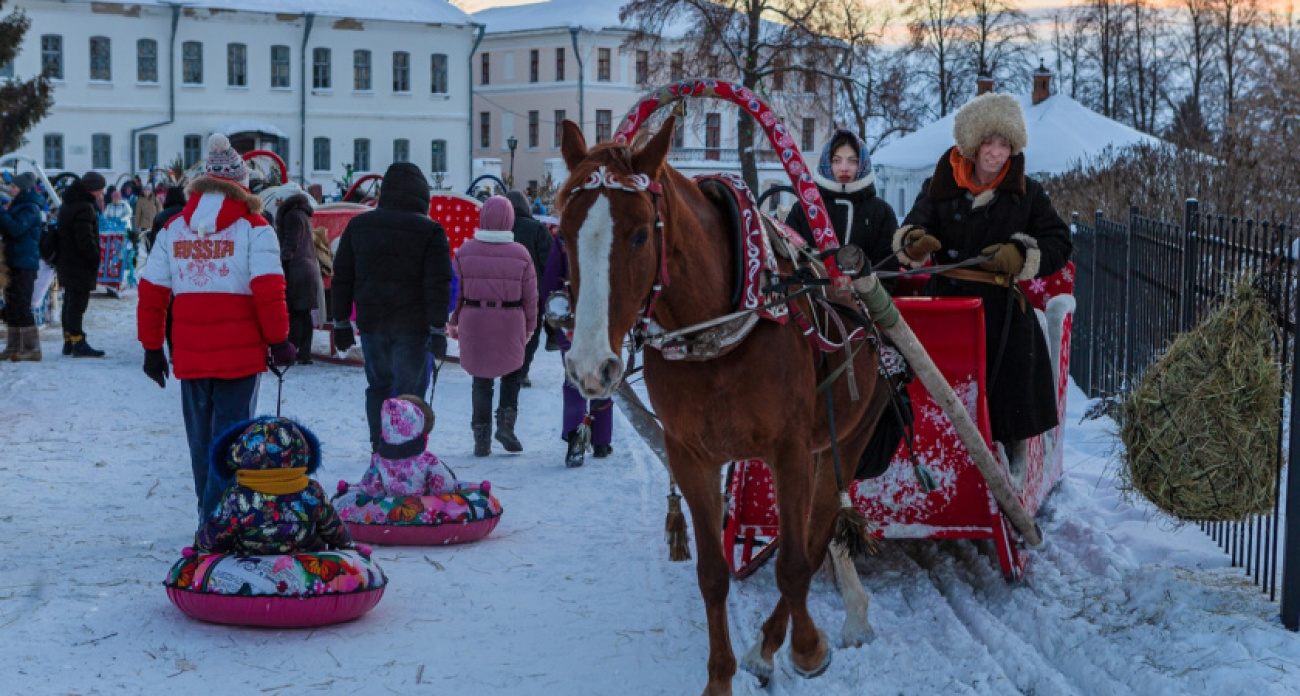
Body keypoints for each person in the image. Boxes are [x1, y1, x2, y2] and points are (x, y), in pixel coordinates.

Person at [894, 92, 1073, 456]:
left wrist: (1020, 256)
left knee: (1012, 375)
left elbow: (1059, 242)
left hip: (1003, 310)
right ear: (972, 145)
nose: (995, 152)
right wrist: (914, 243)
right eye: (988, 143)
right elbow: (911, 229)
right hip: (946, 303)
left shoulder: (1028, 192)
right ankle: (930, 448)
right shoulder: (940, 186)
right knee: (928, 376)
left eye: (1004, 144)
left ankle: (1011, 453)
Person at [137, 132, 298, 521]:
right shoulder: (255, 228)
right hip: (240, 357)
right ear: (241, 185)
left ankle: (208, 516)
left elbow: (152, 291)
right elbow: (268, 291)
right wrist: (279, 341)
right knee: (233, 441)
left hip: (191, 358)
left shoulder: (174, 229)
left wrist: (152, 348)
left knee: (202, 443)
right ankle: (222, 520)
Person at [332, 162, 452, 452]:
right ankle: (408, 448)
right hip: (414, 327)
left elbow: (342, 277)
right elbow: (438, 284)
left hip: (372, 325)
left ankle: (380, 444)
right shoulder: (431, 231)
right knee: (410, 392)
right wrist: (438, 329)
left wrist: (341, 322)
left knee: (379, 387)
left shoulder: (359, 226)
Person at [447, 196, 538, 457]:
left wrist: (454, 321)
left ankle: (481, 436)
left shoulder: (465, 251)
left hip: (475, 318)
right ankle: (506, 425)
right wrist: (530, 325)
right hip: (511, 318)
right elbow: (531, 296)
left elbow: (458, 293)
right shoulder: (521, 254)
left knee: (481, 379)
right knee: (512, 373)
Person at [194, 416, 353, 554]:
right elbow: (335, 532)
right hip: (305, 572)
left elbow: (214, 537)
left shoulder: (237, 497)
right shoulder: (312, 493)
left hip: (249, 573)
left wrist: (200, 543)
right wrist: (344, 538)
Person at [538, 233, 613, 468]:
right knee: (605, 371)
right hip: (605, 315)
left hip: (571, 316)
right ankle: (601, 439)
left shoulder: (564, 238)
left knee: (574, 376)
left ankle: (575, 437)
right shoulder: (611, 232)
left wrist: (550, 315)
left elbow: (550, 281)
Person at [785, 128, 899, 273]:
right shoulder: (804, 209)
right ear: (827, 163)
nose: (844, 168)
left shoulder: (881, 212)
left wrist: (867, 287)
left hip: (867, 294)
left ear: (862, 164)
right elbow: (787, 259)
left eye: (853, 161)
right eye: (836, 161)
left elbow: (888, 266)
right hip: (811, 293)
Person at [357, 395, 459, 497]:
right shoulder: (427, 460)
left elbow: (370, 489)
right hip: (421, 508)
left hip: (392, 510)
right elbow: (444, 488)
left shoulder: (378, 460)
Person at [55, 171, 107, 358]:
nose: (101, 193)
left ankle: (69, 340)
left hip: (66, 260)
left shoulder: (68, 203)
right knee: (78, 304)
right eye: (100, 190)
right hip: (79, 263)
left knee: (69, 301)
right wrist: (94, 257)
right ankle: (78, 341)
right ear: (91, 189)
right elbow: (85, 238)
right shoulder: (85, 207)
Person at [504, 189, 551, 388]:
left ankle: (508, 368)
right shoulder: (538, 229)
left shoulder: (498, 228)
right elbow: (548, 261)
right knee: (531, 332)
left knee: (506, 331)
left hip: (502, 291)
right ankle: (522, 371)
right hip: (533, 291)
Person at [0, 172, 46, 361]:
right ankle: (13, 346)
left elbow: (16, 228)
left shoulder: (30, 208)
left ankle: (32, 348)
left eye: (14, 187)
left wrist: (1, 212)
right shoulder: (19, 205)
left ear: (24, 189)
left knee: (21, 306)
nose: (11, 189)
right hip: (14, 261)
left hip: (24, 264)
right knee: (12, 306)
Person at [274, 184, 320, 365]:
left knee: (294, 313)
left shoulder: (292, 215)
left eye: (278, 199)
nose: (277, 203)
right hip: (308, 268)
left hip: (296, 270)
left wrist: (280, 261)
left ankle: (292, 350)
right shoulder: (302, 214)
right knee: (304, 314)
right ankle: (305, 353)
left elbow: (291, 243)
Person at [149, 186, 186, 252]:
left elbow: (153, 240)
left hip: (164, 251)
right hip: (183, 252)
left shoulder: (160, 216)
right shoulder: (189, 215)